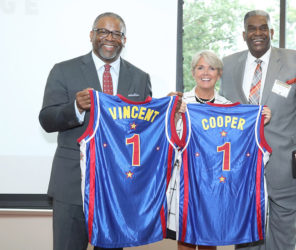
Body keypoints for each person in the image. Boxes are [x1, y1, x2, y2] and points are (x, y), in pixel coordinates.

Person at [39, 12, 151, 250]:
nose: (109, 37)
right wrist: (76, 108)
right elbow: (47, 120)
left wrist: (170, 114)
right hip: (72, 185)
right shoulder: (63, 71)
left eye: (116, 33)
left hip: (118, 188)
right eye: (103, 31)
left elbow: (147, 129)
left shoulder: (140, 78)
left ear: (124, 40)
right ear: (91, 35)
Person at [220, 10, 296, 250]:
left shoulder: (295, 60)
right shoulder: (228, 64)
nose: (258, 33)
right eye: (252, 29)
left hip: (286, 167)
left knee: (283, 239)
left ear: (271, 32)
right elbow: (221, 111)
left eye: (263, 28)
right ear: (244, 34)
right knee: (246, 239)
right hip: (242, 168)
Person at [167, 50, 271, 250]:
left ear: (219, 73)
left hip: (216, 185)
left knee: (209, 239)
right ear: (193, 72)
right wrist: (172, 114)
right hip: (187, 181)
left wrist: (260, 120)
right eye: (200, 67)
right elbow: (168, 142)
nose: (206, 72)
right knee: (186, 241)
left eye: (212, 68)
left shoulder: (230, 106)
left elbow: (241, 144)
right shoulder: (181, 102)